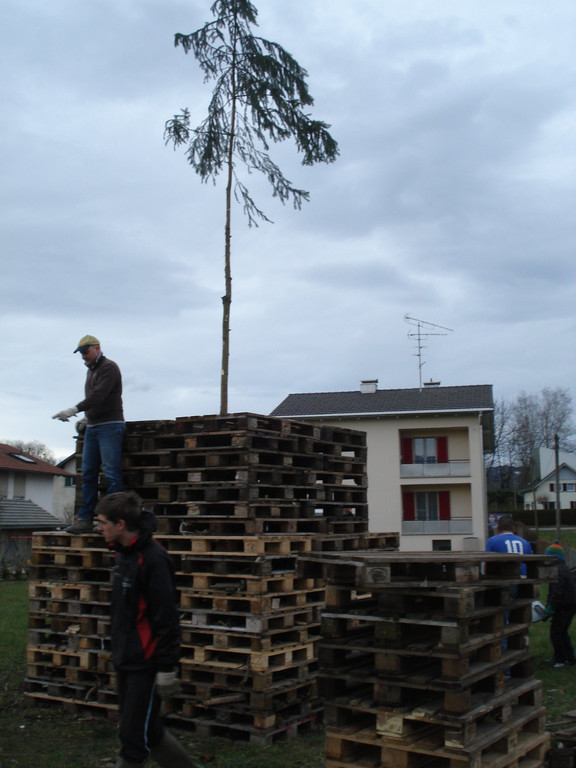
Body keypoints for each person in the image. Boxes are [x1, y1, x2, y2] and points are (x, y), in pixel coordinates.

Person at [96, 491, 201, 768]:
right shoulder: (123, 554)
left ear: (120, 524)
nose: (99, 528)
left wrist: (166, 668)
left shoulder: (154, 559)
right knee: (149, 731)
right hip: (125, 659)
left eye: (103, 522)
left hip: (146, 664)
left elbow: (167, 619)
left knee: (133, 738)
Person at [53, 334, 125, 534]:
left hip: (110, 425)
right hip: (94, 426)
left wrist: (74, 410)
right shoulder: (91, 371)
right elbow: (94, 399)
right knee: (87, 473)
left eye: (86, 351)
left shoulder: (109, 367)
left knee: (111, 473)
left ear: (97, 348)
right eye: (81, 353)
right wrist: (88, 417)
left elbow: (99, 395)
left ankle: (112, 521)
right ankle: (85, 520)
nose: (83, 356)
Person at [543, 543, 576, 669]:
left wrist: (551, 608)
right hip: (568, 606)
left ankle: (560, 660)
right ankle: (569, 658)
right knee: (562, 633)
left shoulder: (558, 571)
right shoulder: (563, 568)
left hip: (564, 607)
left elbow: (557, 592)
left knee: (556, 633)